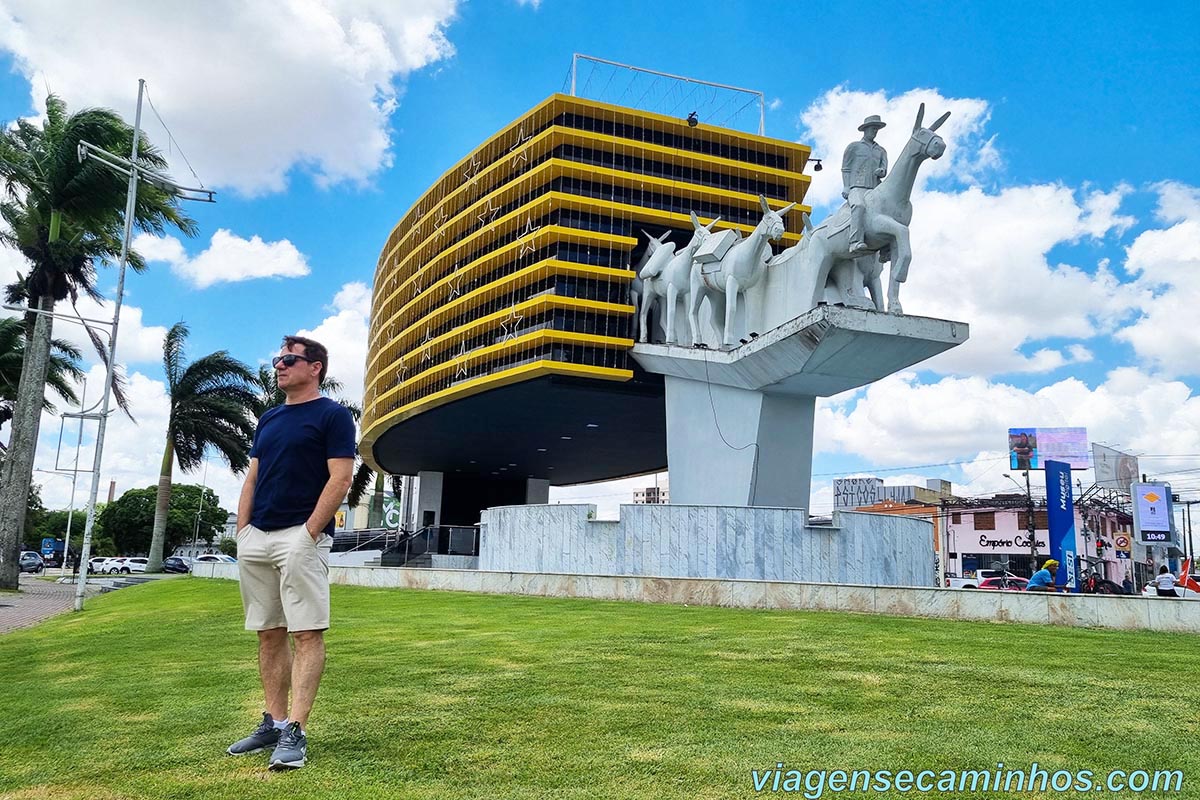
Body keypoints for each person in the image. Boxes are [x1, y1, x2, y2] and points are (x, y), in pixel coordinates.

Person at [226, 335, 355, 771]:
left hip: (301, 537)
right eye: (277, 360)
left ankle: (296, 732)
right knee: (268, 632)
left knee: (306, 633)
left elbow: (340, 479)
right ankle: (274, 722)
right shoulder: (269, 418)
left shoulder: (333, 416)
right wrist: (242, 530)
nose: (279, 366)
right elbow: (253, 476)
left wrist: (308, 532)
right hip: (257, 537)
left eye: (288, 360)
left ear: (314, 367)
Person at [841, 115, 888, 255]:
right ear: (865, 129)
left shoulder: (881, 151)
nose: (875, 131)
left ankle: (886, 248)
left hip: (875, 188)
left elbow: (884, 169)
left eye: (877, 129)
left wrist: (882, 171)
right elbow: (846, 168)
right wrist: (846, 186)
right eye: (873, 128)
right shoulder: (854, 147)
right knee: (859, 206)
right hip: (858, 187)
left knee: (888, 212)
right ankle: (855, 241)